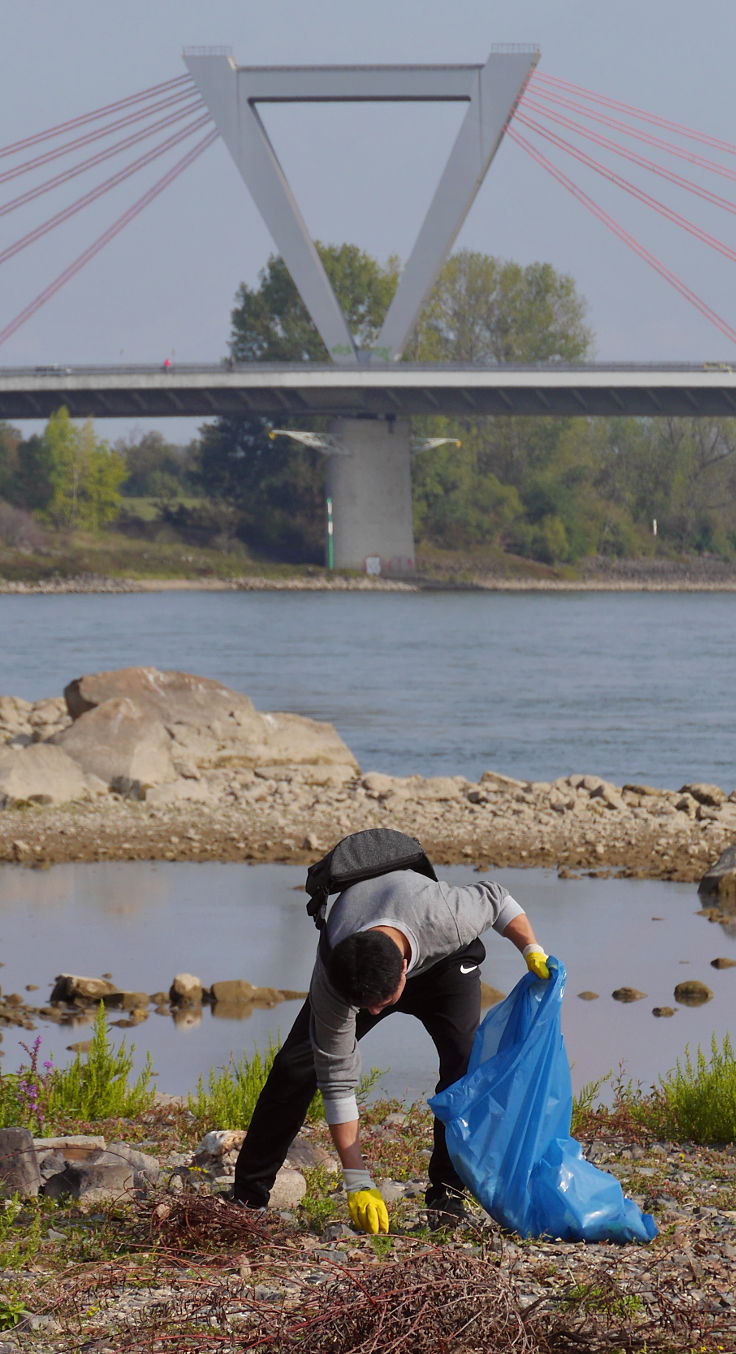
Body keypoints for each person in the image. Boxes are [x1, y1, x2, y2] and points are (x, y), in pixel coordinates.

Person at [232, 851, 550, 1233]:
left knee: (464, 1068)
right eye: (369, 1009)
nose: (377, 1015)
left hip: (445, 965)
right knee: (295, 1068)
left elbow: (499, 899)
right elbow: (337, 1081)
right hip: (364, 964)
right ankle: (247, 1199)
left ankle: (447, 1196)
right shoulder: (335, 975)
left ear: (403, 969)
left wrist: (531, 949)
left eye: (381, 1006)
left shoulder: (448, 916)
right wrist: (356, 1179)